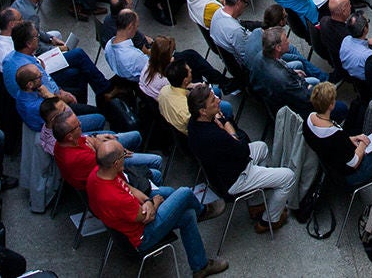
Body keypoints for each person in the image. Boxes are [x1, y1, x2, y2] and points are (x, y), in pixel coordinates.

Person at [86, 138, 228, 277]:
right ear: (116, 163)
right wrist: (155, 202)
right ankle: (202, 212)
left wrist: (148, 201)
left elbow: (130, 188)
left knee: (188, 215)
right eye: (123, 154)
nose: (125, 155)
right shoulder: (115, 198)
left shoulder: (99, 173)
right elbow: (148, 217)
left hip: (134, 219)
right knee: (184, 193)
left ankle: (200, 267)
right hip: (142, 236)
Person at [186, 85, 296, 232]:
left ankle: (255, 204)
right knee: (289, 177)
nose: (218, 100)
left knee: (262, 147)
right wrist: (227, 128)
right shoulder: (214, 135)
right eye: (213, 100)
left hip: (219, 173)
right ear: (203, 111)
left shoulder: (194, 124)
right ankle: (269, 221)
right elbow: (242, 147)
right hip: (235, 178)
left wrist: (223, 126)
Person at [305, 81, 372, 197]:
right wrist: (362, 143)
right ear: (331, 105)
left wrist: (351, 139)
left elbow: (335, 144)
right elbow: (354, 163)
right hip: (348, 176)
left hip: (331, 167)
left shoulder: (308, 121)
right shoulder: (336, 136)